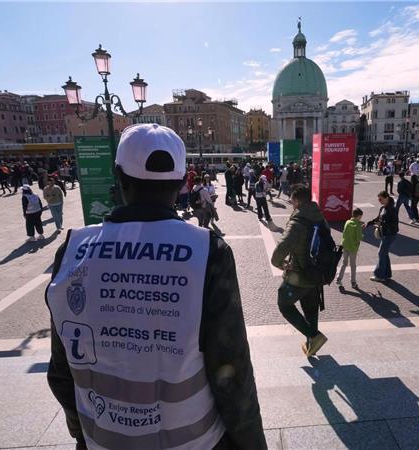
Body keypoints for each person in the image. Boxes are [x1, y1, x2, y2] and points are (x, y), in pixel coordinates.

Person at [45, 124, 266, 450]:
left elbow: (60, 371)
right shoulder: (207, 252)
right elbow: (232, 373)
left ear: (119, 177)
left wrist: (83, 433)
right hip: (195, 442)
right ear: (181, 182)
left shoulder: (72, 250)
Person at [271, 184, 329, 357]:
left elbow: (282, 247)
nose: (291, 203)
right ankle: (312, 345)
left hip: (298, 275)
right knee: (310, 309)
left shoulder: (298, 222)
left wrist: (278, 263)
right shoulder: (320, 217)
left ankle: (314, 336)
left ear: (296, 200)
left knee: (284, 304)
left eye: (291, 200)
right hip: (316, 274)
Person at [366, 191, 399, 282]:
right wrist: (368, 223)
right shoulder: (383, 208)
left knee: (381, 253)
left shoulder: (392, 209)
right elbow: (378, 218)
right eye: (378, 199)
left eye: (380, 199)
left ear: (387, 198)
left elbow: (394, 223)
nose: (379, 201)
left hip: (390, 234)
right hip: (385, 233)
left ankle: (379, 275)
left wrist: (382, 224)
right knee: (384, 253)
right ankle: (387, 274)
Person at [336, 208, 363, 290]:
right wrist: (362, 234)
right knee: (353, 265)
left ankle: (339, 279)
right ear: (359, 216)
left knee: (344, 263)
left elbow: (344, 233)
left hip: (345, 246)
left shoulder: (347, 222)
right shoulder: (357, 225)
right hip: (353, 248)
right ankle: (353, 282)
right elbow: (359, 238)